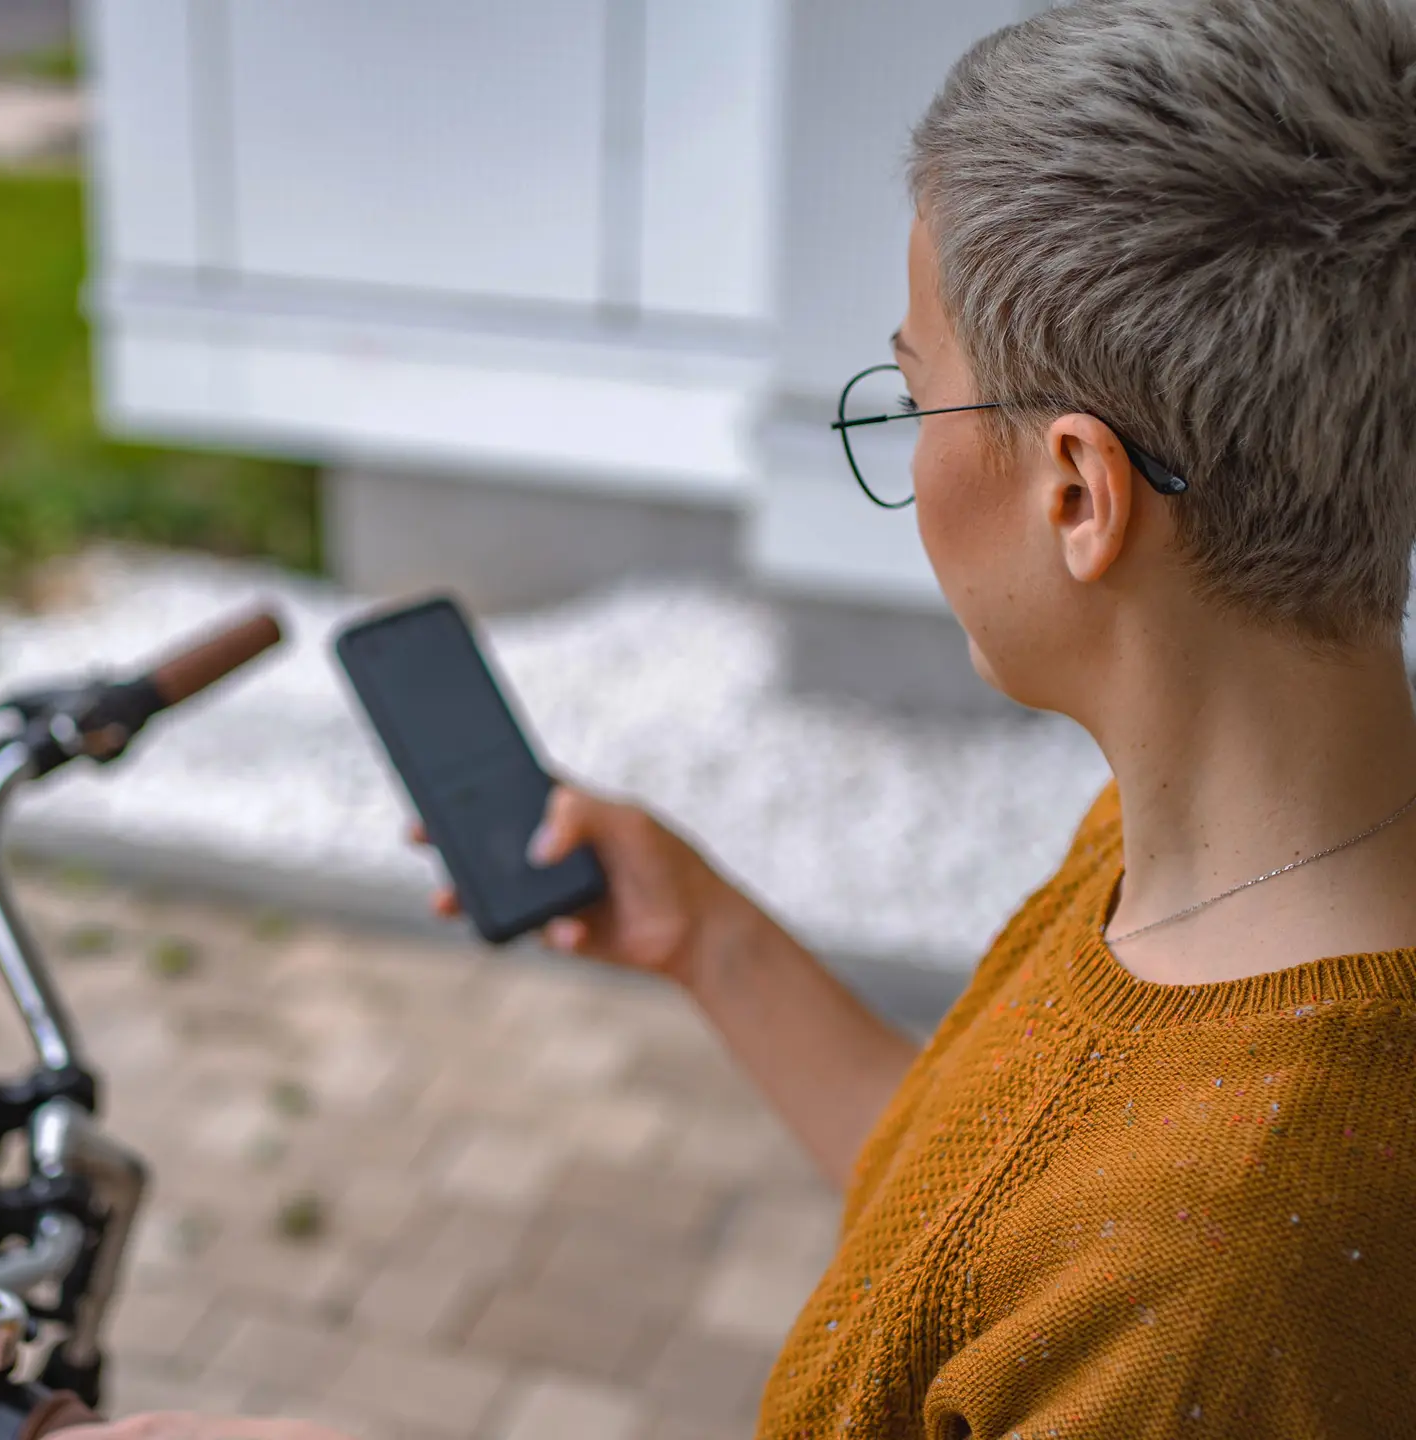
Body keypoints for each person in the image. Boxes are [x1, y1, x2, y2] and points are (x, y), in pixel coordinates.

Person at [87, 0, 1416, 1434]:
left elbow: (1107, 1247)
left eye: (915, 400)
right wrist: (712, 940)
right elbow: (981, 1241)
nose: (907, 459)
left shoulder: (1225, 1273)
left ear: (1078, 495)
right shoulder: (1236, 849)